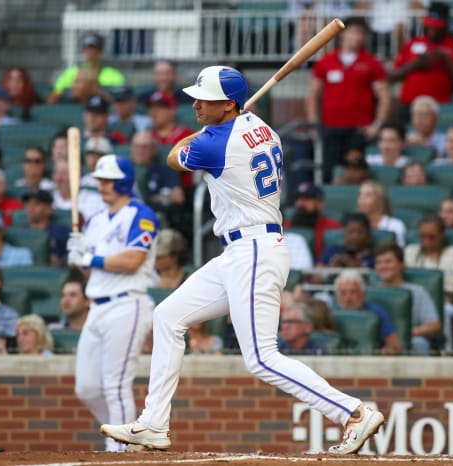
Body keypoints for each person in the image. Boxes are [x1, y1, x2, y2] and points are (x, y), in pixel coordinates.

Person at [99, 66, 384, 454]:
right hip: (241, 250)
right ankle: (153, 423)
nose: (196, 104)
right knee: (167, 317)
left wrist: (212, 129)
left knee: (262, 359)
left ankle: (352, 411)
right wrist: (225, 120)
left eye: (206, 100)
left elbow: (170, 157)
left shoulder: (215, 143)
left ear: (229, 104)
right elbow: (227, 131)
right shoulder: (264, 128)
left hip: (253, 251)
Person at [66, 154, 158, 452]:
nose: (102, 185)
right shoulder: (94, 221)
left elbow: (133, 259)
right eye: (101, 180)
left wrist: (91, 258)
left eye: (108, 179)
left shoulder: (141, 214)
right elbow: (91, 268)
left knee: (115, 386)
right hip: (98, 305)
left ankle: (118, 452)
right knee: (87, 387)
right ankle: (128, 439)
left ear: (124, 181)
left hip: (127, 304)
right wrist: (78, 255)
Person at [305, 18, 391, 183]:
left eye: (361, 33)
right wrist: (313, 124)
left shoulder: (372, 63)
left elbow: (384, 96)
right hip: (331, 128)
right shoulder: (325, 62)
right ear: (342, 34)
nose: (357, 37)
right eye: (354, 32)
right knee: (328, 173)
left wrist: (377, 124)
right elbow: (313, 94)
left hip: (359, 130)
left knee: (356, 173)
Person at [389, 1, 453, 119]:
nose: (432, 29)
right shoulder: (413, 43)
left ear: (446, 24)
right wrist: (417, 64)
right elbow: (392, 76)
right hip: (409, 104)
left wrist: (445, 59)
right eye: (430, 24)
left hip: (438, 107)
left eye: (437, 26)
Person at [404, 213, 453, 351]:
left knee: (445, 311)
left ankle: (447, 350)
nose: (426, 240)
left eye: (431, 236)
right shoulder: (410, 251)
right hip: (415, 302)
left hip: (446, 301)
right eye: (422, 236)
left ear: (442, 235)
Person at [374, 243, 442, 355]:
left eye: (388, 261)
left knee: (419, 343)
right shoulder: (371, 292)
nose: (383, 266)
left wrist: (404, 333)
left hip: (409, 338)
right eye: (379, 262)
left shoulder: (418, 291)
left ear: (401, 264)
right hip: (380, 340)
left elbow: (434, 324)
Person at [334, 269, 402, 355]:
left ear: (363, 294)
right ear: (337, 296)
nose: (348, 299)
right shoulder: (331, 313)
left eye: (353, 292)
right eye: (343, 293)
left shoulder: (376, 313)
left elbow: (395, 346)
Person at [47, 32, 125, 104]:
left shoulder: (113, 74)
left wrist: (94, 89)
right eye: (87, 48)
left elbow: (121, 99)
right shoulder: (70, 72)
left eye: (94, 48)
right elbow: (54, 96)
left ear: (100, 50)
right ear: (83, 50)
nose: (90, 51)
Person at [130, 130, 185, 212]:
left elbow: (178, 198)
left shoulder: (164, 169)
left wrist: (157, 198)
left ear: (153, 150)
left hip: (155, 215)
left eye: (144, 147)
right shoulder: (124, 168)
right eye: (136, 146)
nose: (140, 151)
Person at [283, 182, 341, 259]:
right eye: (298, 199)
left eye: (306, 199)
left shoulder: (333, 226)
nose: (300, 204)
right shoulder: (287, 226)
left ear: (320, 203)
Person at [21, 190, 70, 267]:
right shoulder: (21, 231)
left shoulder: (60, 231)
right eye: (28, 203)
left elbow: (62, 260)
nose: (30, 207)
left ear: (49, 209)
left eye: (36, 203)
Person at [356, 180, 406, 247]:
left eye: (368, 195)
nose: (362, 199)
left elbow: (400, 251)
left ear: (380, 199)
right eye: (360, 194)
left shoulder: (395, 225)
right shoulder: (354, 225)